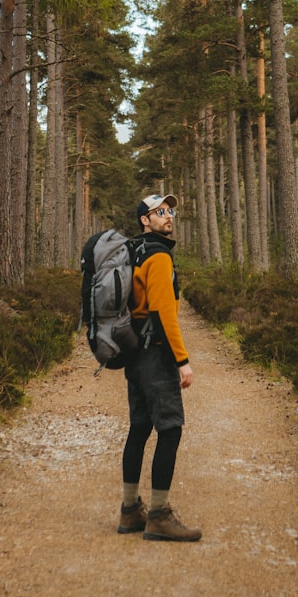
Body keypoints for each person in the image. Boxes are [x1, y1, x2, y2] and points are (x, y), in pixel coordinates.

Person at [117, 193, 202, 542]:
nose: (168, 216)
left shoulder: (133, 252)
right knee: (170, 429)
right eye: (159, 212)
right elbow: (165, 313)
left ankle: (129, 510)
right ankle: (159, 515)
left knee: (139, 428)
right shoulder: (159, 257)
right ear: (144, 220)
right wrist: (182, 361)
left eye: (169, 210)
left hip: (133, 352)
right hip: (155, 354)